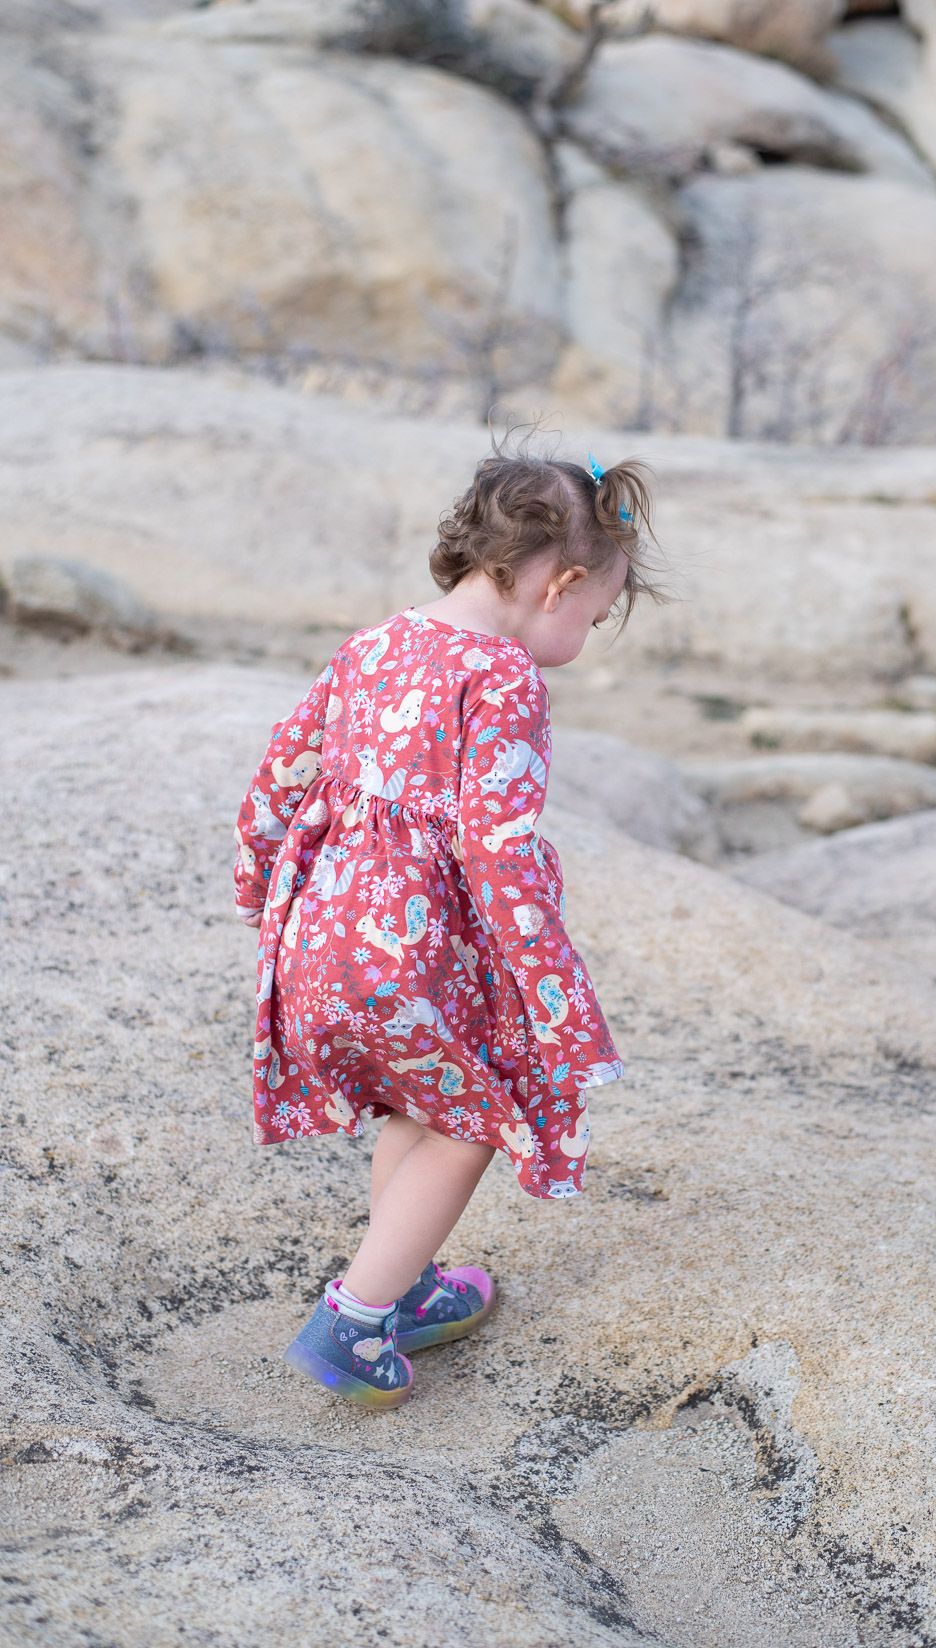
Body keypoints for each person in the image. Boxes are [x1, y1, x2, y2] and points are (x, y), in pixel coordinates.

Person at [231, 428, 666, 1409]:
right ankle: (353, 1322)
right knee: (479, 1116)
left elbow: (281, 769)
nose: (582, 643)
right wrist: (550, 986)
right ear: (557, 586)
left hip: (319, 938)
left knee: (419, 1102)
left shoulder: (375, 642)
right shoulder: (502, 677)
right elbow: (496, 846)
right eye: (595, 617)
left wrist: (261, 883)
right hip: (415, 954)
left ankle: (406, 1286)